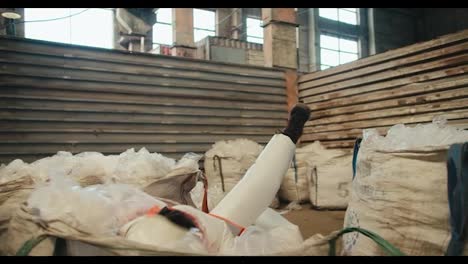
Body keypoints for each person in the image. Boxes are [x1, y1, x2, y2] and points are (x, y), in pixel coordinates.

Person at [121, 103, 312, 254]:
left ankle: (290, 134)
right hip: (202, 232)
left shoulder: (130, 228)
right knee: (246, 198)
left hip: (190, 230)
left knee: (247, 196)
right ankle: (290, 134)